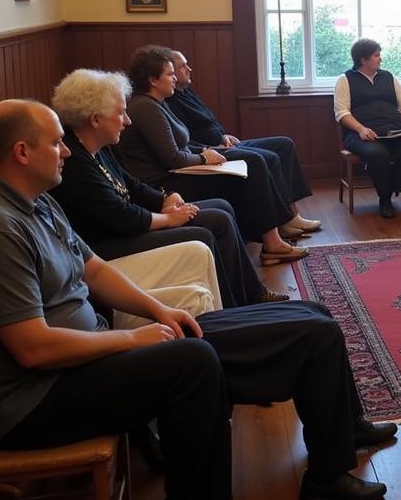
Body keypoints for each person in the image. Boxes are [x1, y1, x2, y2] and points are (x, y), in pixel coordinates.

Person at [0, 100, 397, 500]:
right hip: (28, 402)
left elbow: (93, 268)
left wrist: (157, 311)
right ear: (22, 152)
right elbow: (33, 348)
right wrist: (131, 339)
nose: (66, 150)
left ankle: (332, 466)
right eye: (56, 142)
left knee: (309, 317)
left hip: (73, 362)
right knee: (190, 363)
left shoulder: (33, 199)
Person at [51, 69, 287, 309]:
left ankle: (249, 296)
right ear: (95, 119)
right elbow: (121, 217)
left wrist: (164, 198)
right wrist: (169, 219)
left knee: (221, 209)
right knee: (206, 230)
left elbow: (130, 183)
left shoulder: (97, 145)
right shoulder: (75, 162)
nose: (127, 121)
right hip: (106, 245)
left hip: (127, 227)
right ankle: (233, 309)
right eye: (121, 113)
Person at [116, 46, 306, 265]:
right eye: (169, 74)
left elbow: (181, 146)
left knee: (251, 162)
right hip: (163, 183)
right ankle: (272, 244)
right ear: (153, 80)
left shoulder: (157, 103)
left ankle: (271, 241)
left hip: (176, 173)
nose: (174, 78)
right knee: (252, 163)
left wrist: (205, 151)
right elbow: (173, 158)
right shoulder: (146, 108)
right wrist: (205, 158)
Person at [165, 48, 320, 238]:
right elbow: (186, 140)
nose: (189, 69)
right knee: (267, 158)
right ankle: (281, 222)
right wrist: (213, 147)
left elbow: (208, 122)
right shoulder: (170, 101)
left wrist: (223, 135)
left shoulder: (186, 92)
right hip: (213, 152)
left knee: (284, 144)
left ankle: (291, 215)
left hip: (225, 143)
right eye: (181, 66)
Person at [334, 38, 401, 219]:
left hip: (393, 131)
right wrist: (360, 129)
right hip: (361, 134)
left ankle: (393, 187)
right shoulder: (345, 80)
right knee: (376, 153)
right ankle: (385, 199)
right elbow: (341, 113)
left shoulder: (388, 77)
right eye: (376, 56)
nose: (380, 59)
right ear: (363, 60)